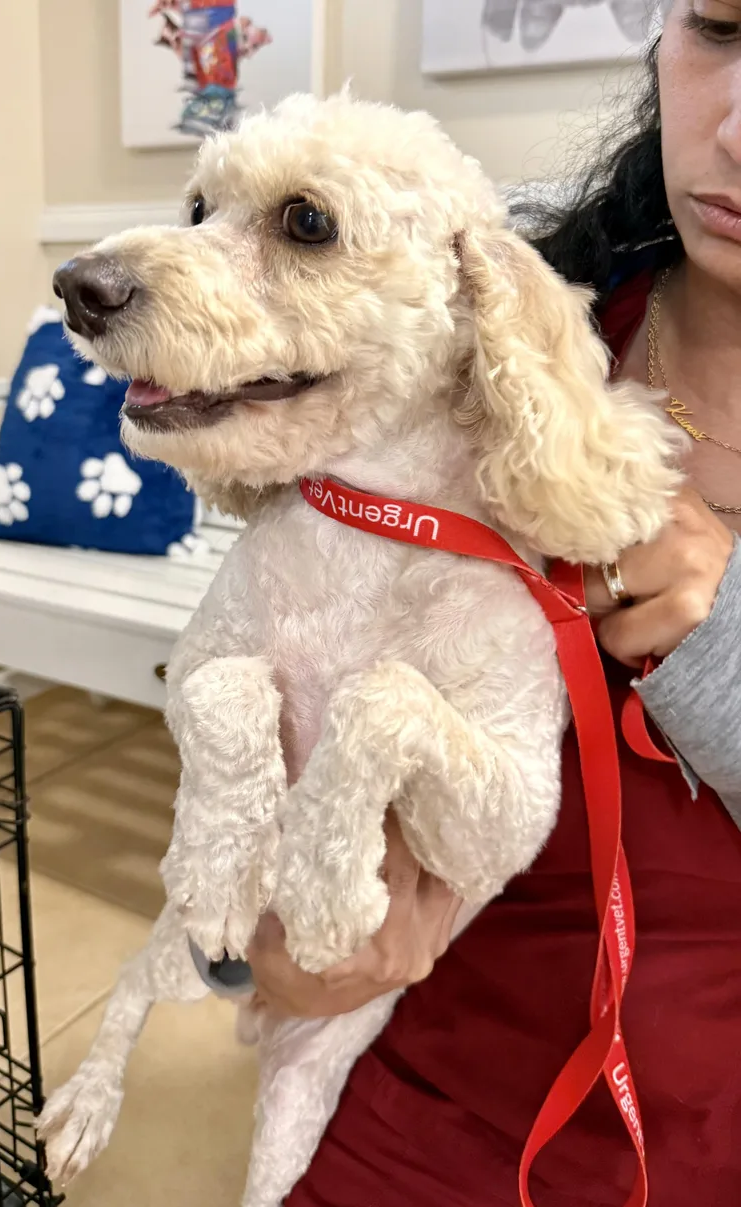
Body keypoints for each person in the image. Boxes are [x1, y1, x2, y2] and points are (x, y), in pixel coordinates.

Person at [246, 1, 741, 1203]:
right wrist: (276, 942)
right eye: (720, 27)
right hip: (416, 1094)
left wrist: (711, 634)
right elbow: (278, 692)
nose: (734, 131)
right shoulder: (484, 319)